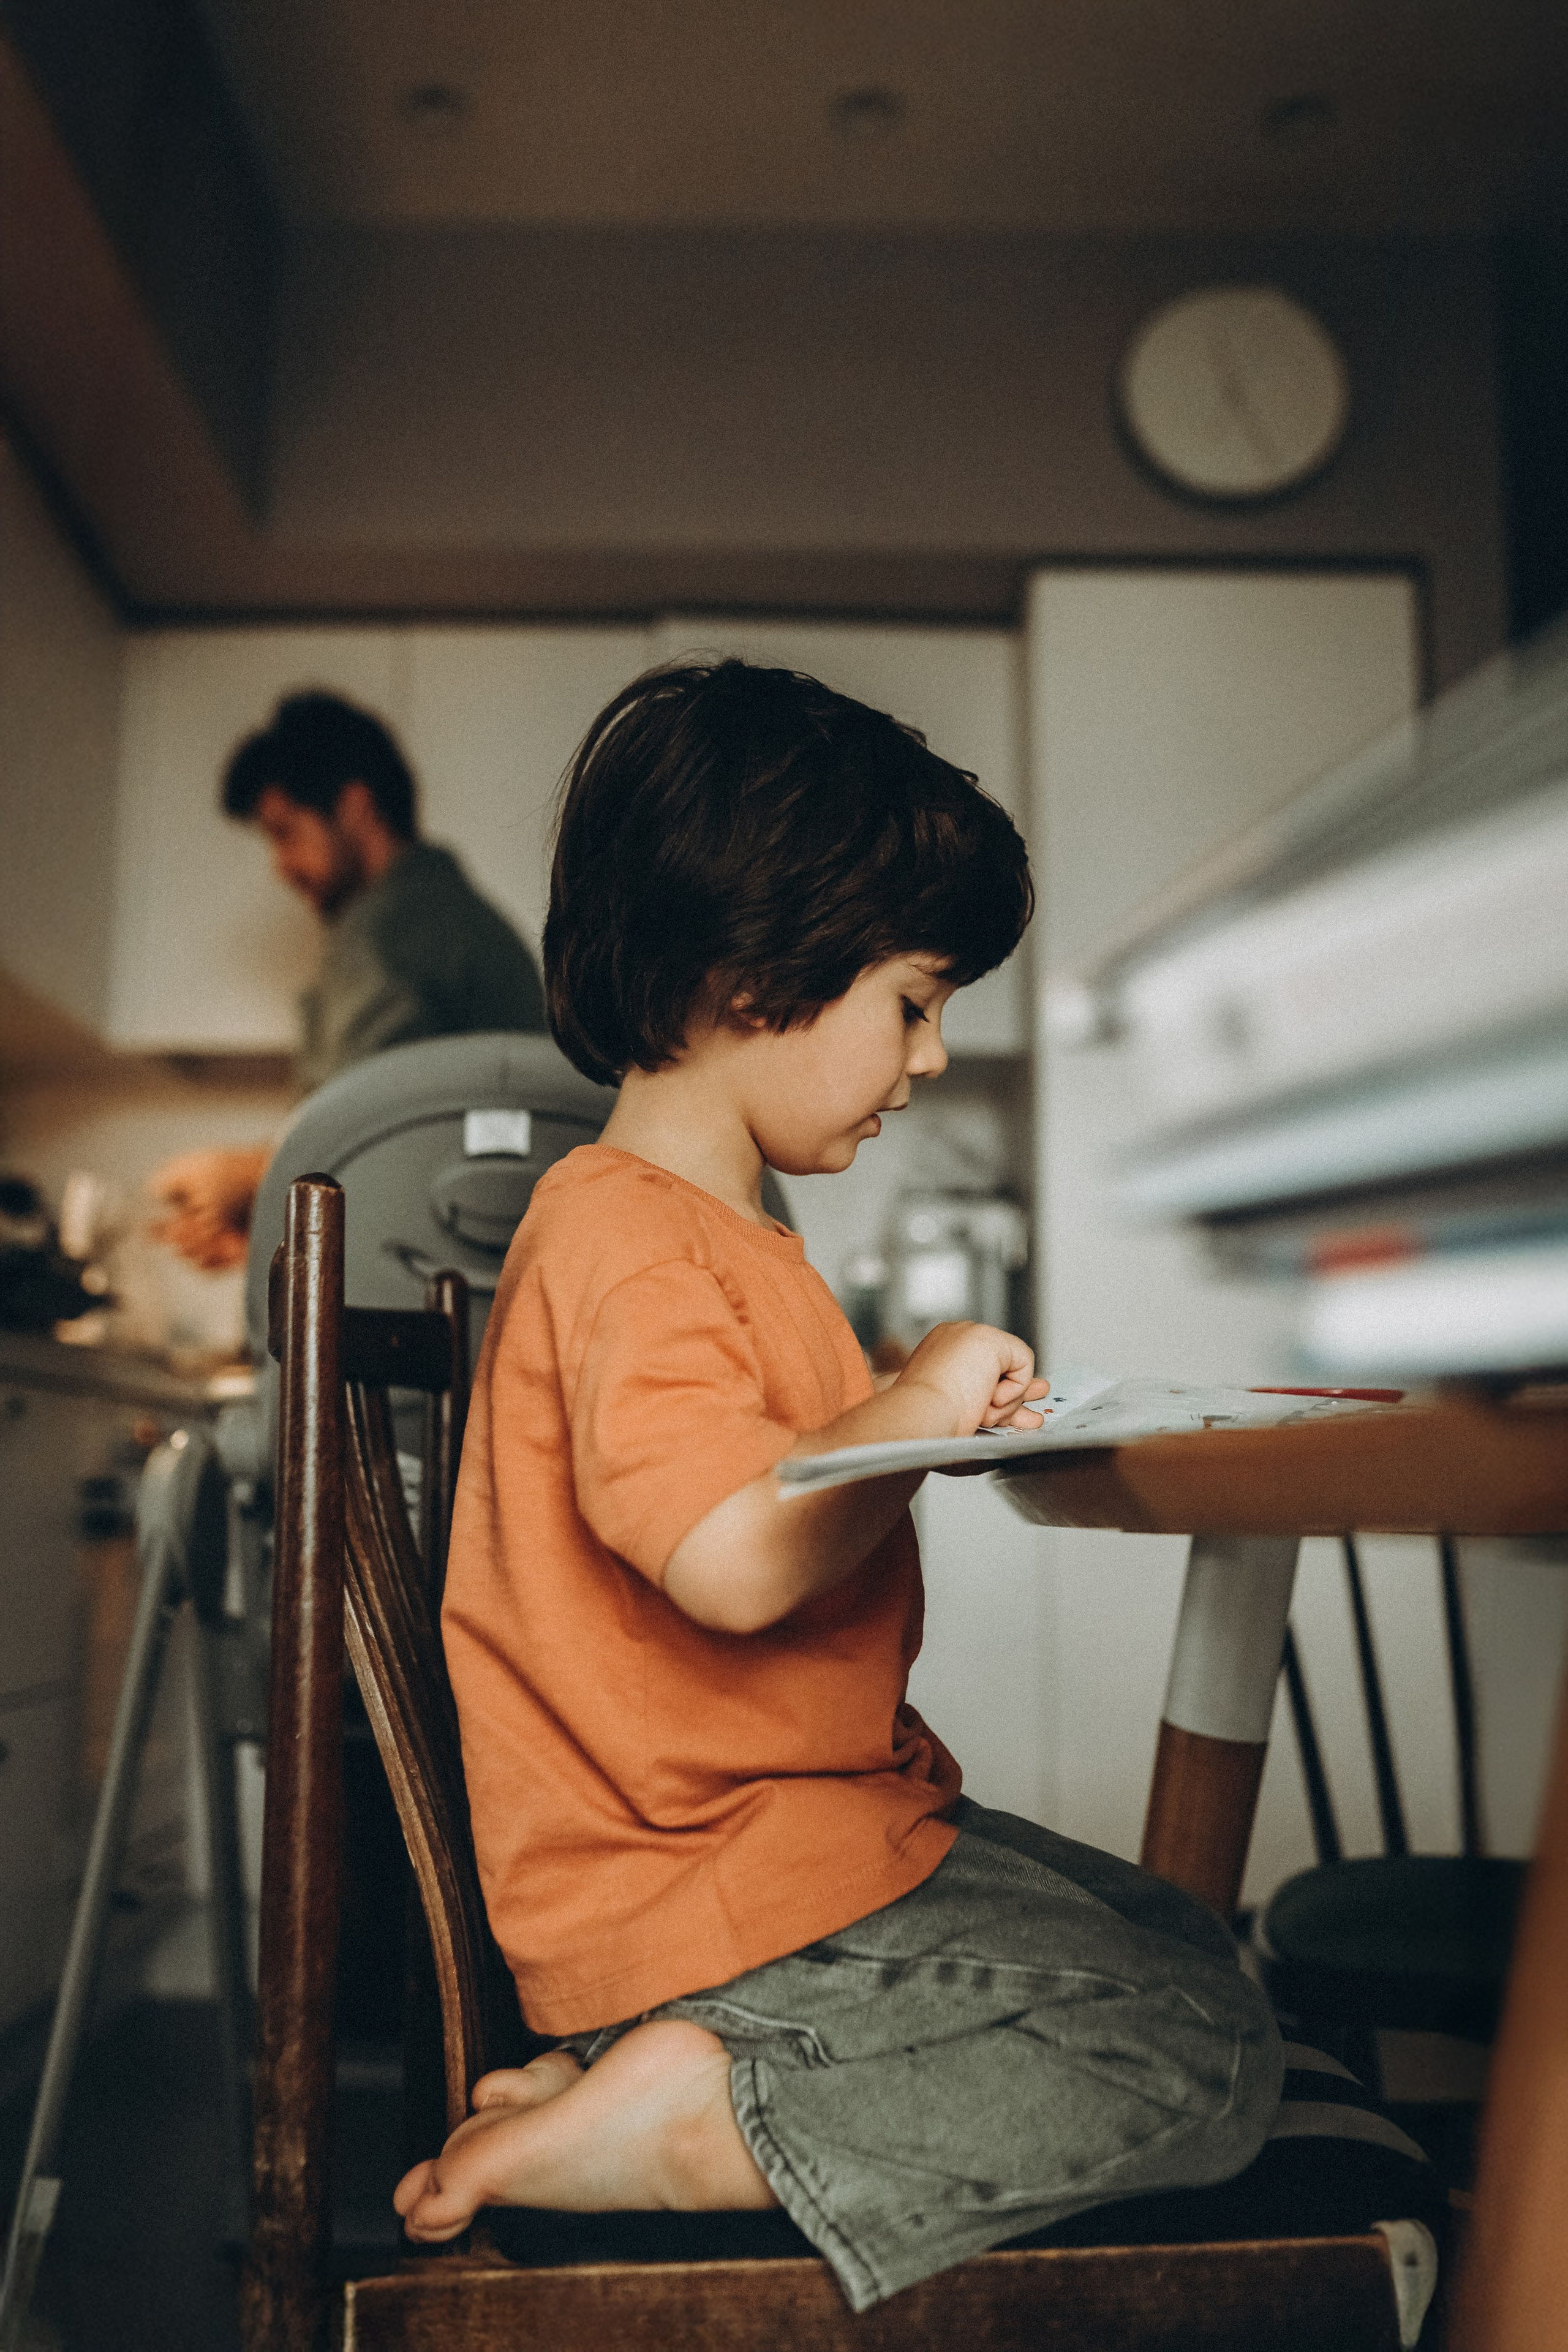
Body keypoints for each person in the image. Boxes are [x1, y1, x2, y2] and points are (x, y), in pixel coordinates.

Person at [394, 661, 1281, 2310]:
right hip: (710, 1891)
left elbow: (771, 1477)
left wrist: (914, 1399)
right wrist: (925, 1395)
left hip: (783, 1852)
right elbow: (734, 1559)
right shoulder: (627, 1239)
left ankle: (643, 2081)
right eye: (915, 1001)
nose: (931, 1057)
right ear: (754, 976)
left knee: (1175, 1938)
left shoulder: (718, 1239)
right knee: (1209, 2045)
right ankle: (688, 2122)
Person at [151, 691, 546, 1268]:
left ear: (357, 808)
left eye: (286, 832)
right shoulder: (456, 915)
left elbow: (362, 1134)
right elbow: (425, 1156)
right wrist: (260, 1237)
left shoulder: (389, 928)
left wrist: (243, 1175)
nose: (280, 866)